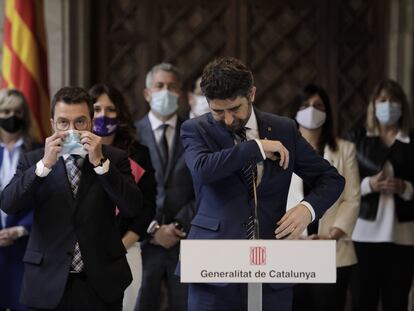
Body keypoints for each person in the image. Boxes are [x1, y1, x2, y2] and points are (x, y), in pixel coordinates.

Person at [180, 57, 345, 311]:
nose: (226, 119)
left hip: (272, 269)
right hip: (212, 269)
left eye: (234, 109)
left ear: (252, 94)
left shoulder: (284, 129)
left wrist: (307, 209)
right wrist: (255, 148)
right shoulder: (195, 129)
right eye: (217, 111)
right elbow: (202, 170)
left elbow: (331, 179)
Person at [0, 86, 143, 311]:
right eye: (63, 123)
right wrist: (44, 166)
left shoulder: (114, 158)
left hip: (101, 284)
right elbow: (9, 204)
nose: (71, 131)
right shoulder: (33, 160)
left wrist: (100, 164)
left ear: (92, 122)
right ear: (52, 123)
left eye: (80, 122)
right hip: (47, 282)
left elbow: (132, 207)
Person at [287, 84, 360, 311]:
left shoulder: (345, 149)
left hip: (333, 249)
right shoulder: (281, 150)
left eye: (318, 106)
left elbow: (352, 198)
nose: (312, 110)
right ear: (295, 112)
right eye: (305, 105)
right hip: (292, 250)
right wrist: (293, 234)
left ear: (327, 112)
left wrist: (330, 236)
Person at [345, 79, 414, 311]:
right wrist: (368, 185)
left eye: (394, 100)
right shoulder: (357, 139)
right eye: (383, 100)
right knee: (363, 302)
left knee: (397, 302)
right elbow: (341, 182)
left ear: (402, 106)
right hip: (363, 237)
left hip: (402, 238)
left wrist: (406, 188)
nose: (388, 105)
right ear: (373, 105)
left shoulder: (411, 141)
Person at [89, 83, 156, 311]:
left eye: (110, 109)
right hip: (84, 252)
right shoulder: (74, 152)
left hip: (125, 249)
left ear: (120, 113)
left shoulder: (138, 154)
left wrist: (120, 245)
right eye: (96, 109)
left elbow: (147, 207)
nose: (103, 115)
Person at [134, 63, 195, 311]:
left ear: (180, 94)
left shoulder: (195, 133)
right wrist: (153, 228)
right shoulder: (132, 135)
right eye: (159, 86)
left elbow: (205, 188)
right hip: (143, 241)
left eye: (172, 86)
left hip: (185, 240)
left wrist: (179, 225)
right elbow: (127, 190)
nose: (165, 91)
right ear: (147, 93)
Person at [0, 89, 40, 311]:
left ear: (25, 115)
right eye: (5, 111)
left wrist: (20, 229)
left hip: (25, 246)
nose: (11, 116)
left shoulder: (37, 152)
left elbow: (46, 199)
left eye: (17, 111)